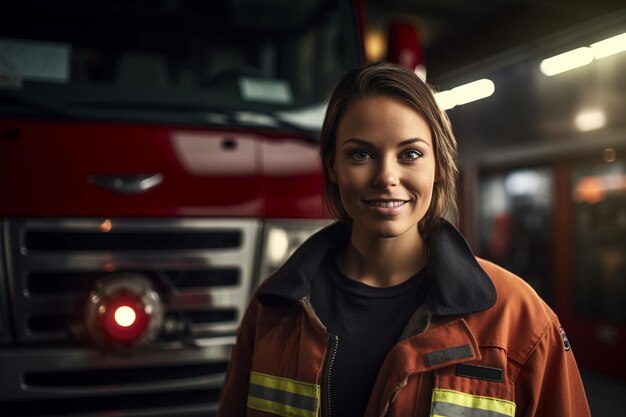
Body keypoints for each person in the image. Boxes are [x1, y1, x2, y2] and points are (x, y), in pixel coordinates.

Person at [217, 62, 591, 417]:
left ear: (439, 167)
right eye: (360, 154)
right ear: (332, 165)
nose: (386, 176)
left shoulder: (520, 319)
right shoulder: (273, 309)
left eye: (410, 154)